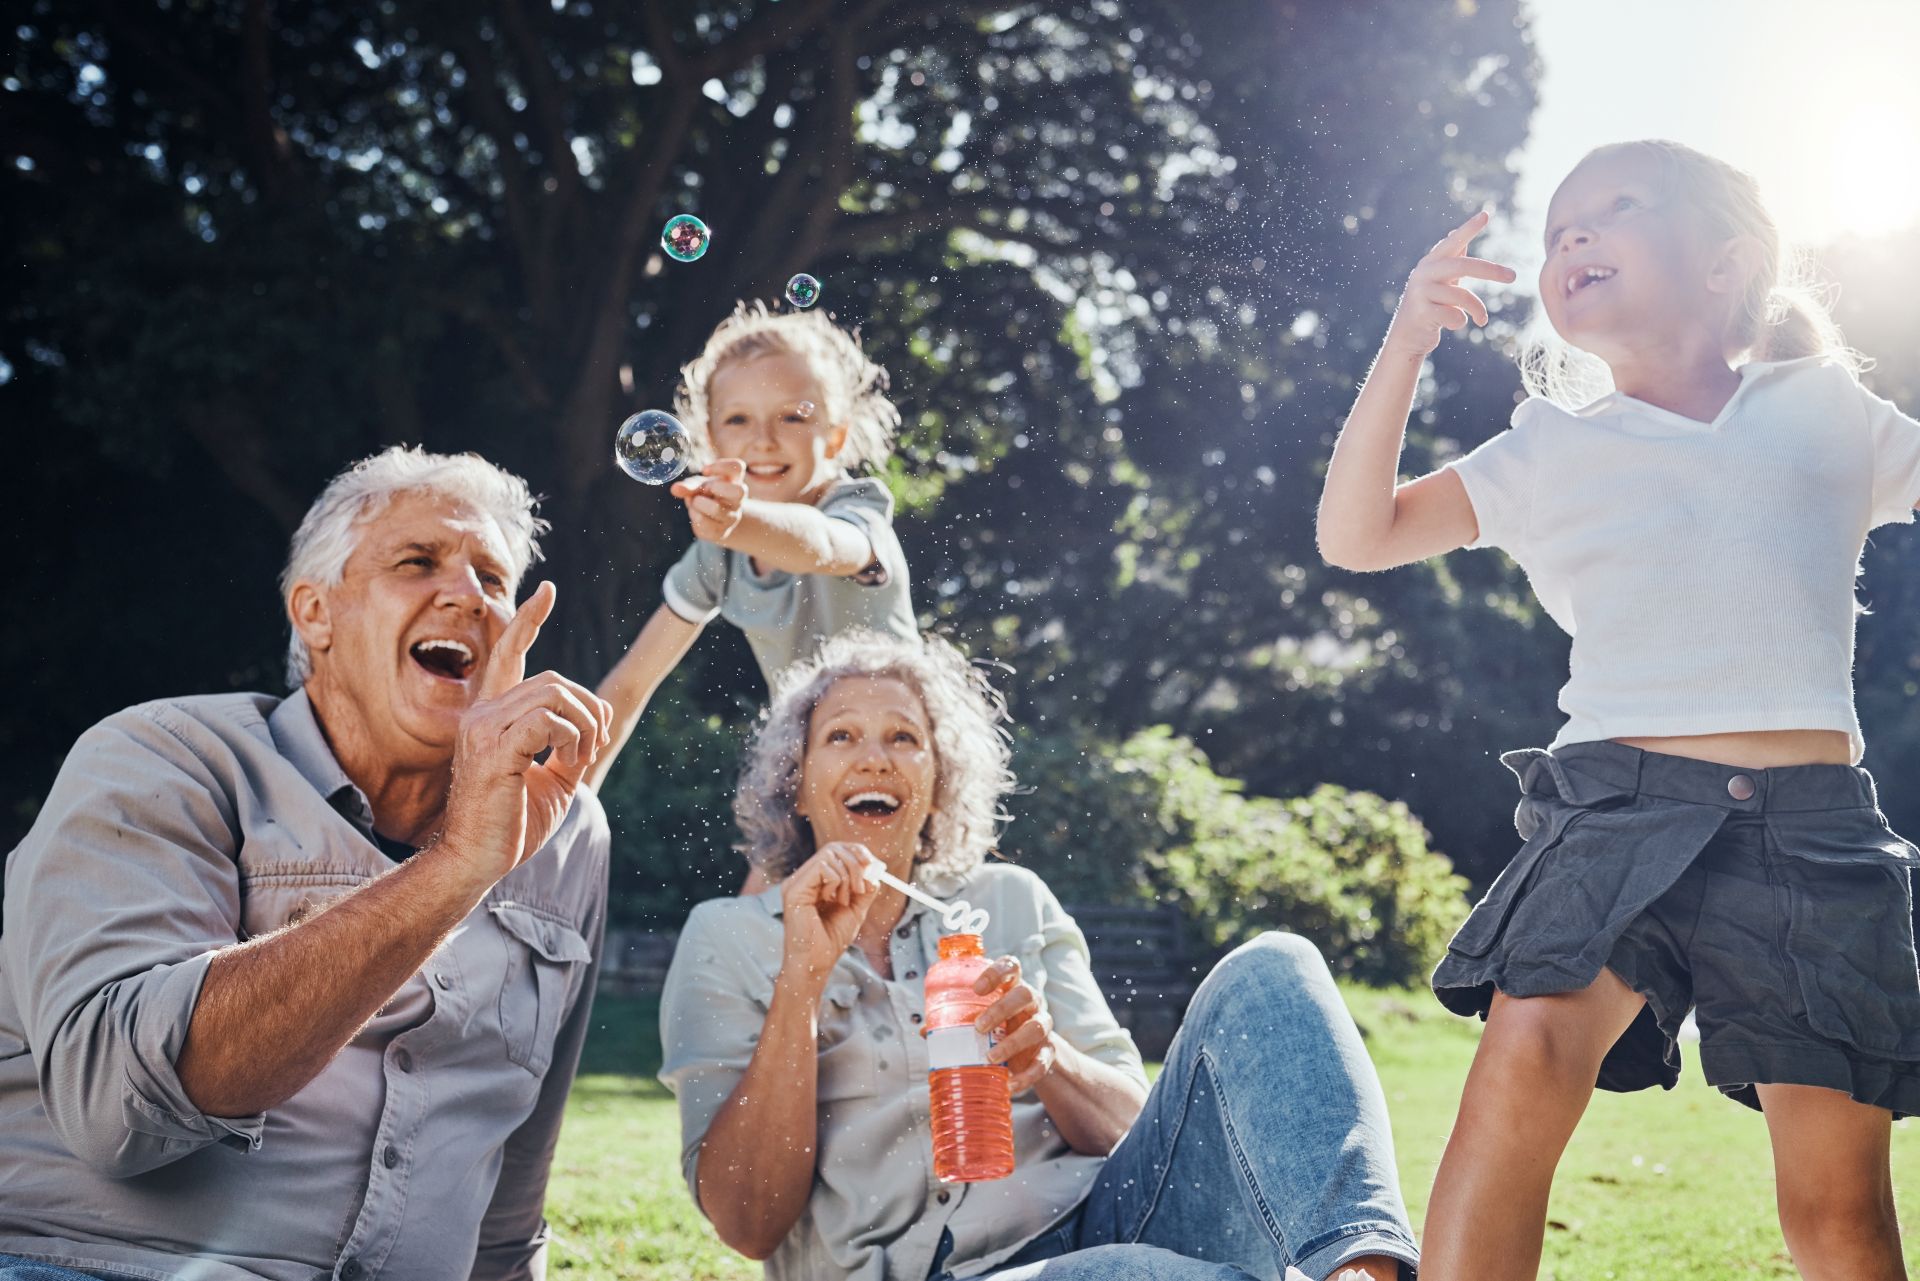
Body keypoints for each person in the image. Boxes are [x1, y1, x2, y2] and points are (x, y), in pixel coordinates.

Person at [1317, 139, 1920, 1280]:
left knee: (1838, 1213)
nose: (1571, 241)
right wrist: (1404, 344)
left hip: (1813, 837)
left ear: (1723, 264)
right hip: (1616, 805)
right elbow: (1359, 535)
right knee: (1526, 1057)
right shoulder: (1552, 447)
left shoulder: (1828, 412)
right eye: (1556, 233)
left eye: (1612, 212)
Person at [0, 446, 615, 1280]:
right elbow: (116, 1110)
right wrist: (457, 866)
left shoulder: (568, 829)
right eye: (417, 561)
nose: (467, 597)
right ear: (315, 612)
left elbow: (510, 1178)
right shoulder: (164, 759)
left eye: (493, 579)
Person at [657, 631, 1419, 1281]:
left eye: (904, 737)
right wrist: (801, 983)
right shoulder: (728, 936)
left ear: (937, 783)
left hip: (1103, 1221)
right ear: (798, 785)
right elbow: (748, 1222)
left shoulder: (1011, 900)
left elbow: (1136, 1129)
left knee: (1275, 967)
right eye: (841, 736)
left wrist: (1048, 1058)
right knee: (1135, 1276)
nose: (876, 758)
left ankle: (1362, 1267)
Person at [587, 300, 917, 795]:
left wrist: (742, 521)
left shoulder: (857, 509)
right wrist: (565, 799)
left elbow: (823, 544)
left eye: (791, 418)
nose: (763, 440)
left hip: (902, 754)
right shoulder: (719, 554)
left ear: (835, 436)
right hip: (813, 766)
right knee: (774, 870)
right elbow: (630, 685)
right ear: (709, 440)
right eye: (738, 420)